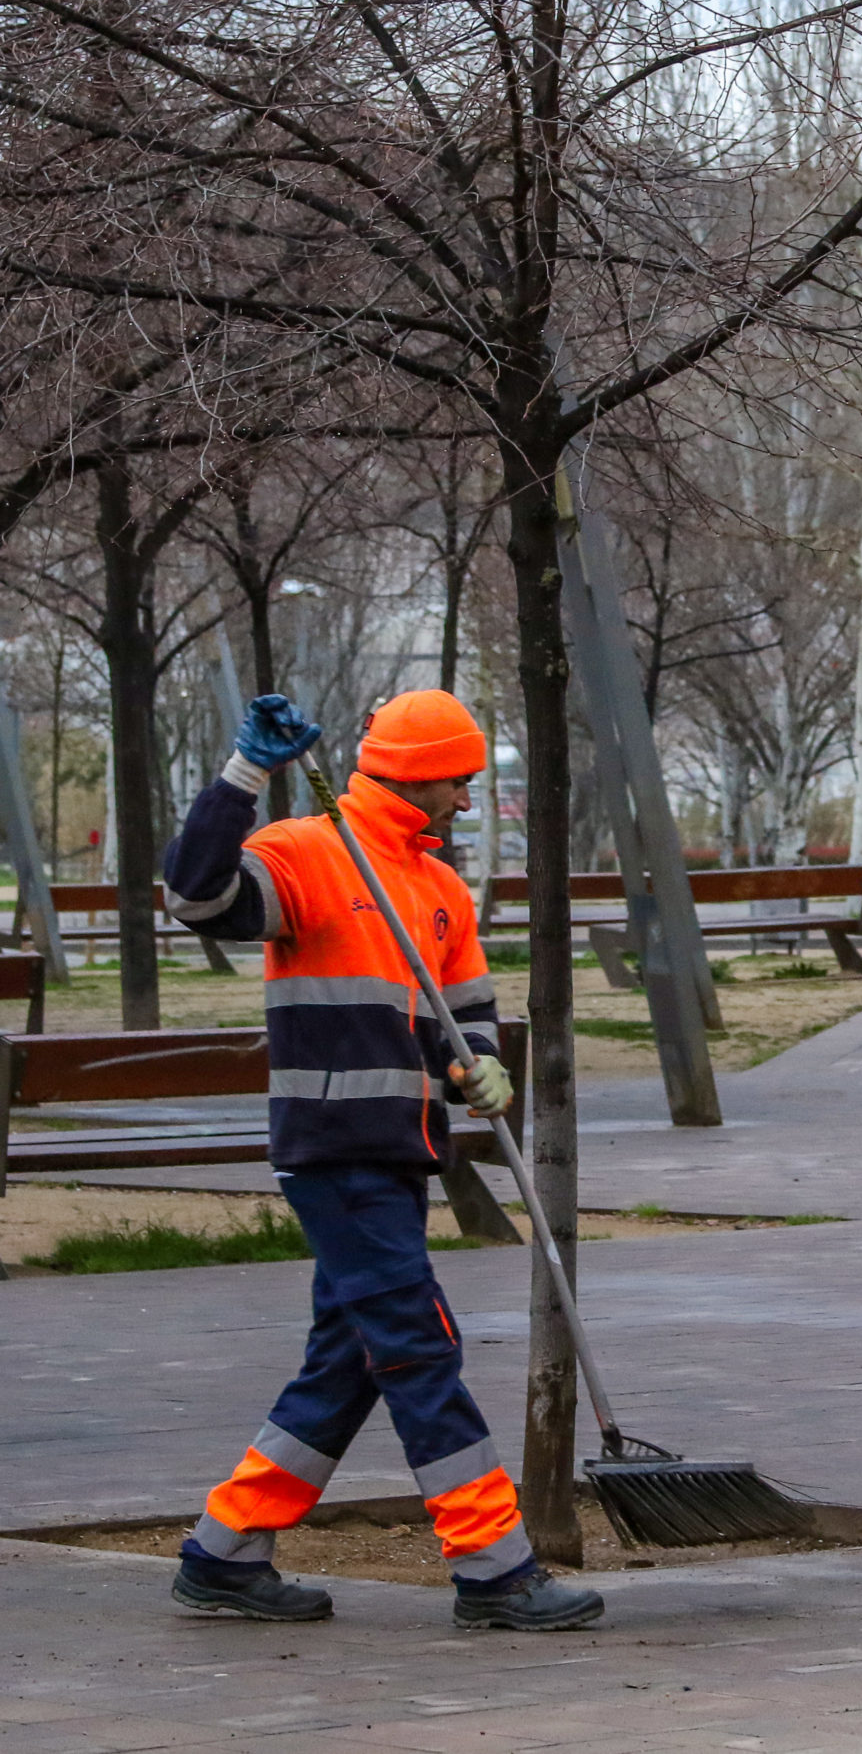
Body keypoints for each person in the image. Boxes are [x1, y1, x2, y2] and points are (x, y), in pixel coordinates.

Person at [159, 690, 604, 1633]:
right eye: (460, 781)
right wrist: (245, 775)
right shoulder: (309, 850)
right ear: (417, 771)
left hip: (400, 1152)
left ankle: (226, 1549)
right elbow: (196, 896)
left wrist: (481, 1066)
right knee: (419, 1344)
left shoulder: (436, 885)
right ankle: (494, 1565)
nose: (468, 802)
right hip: (334, 1152)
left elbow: (466, 1010)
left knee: (351, 1359)